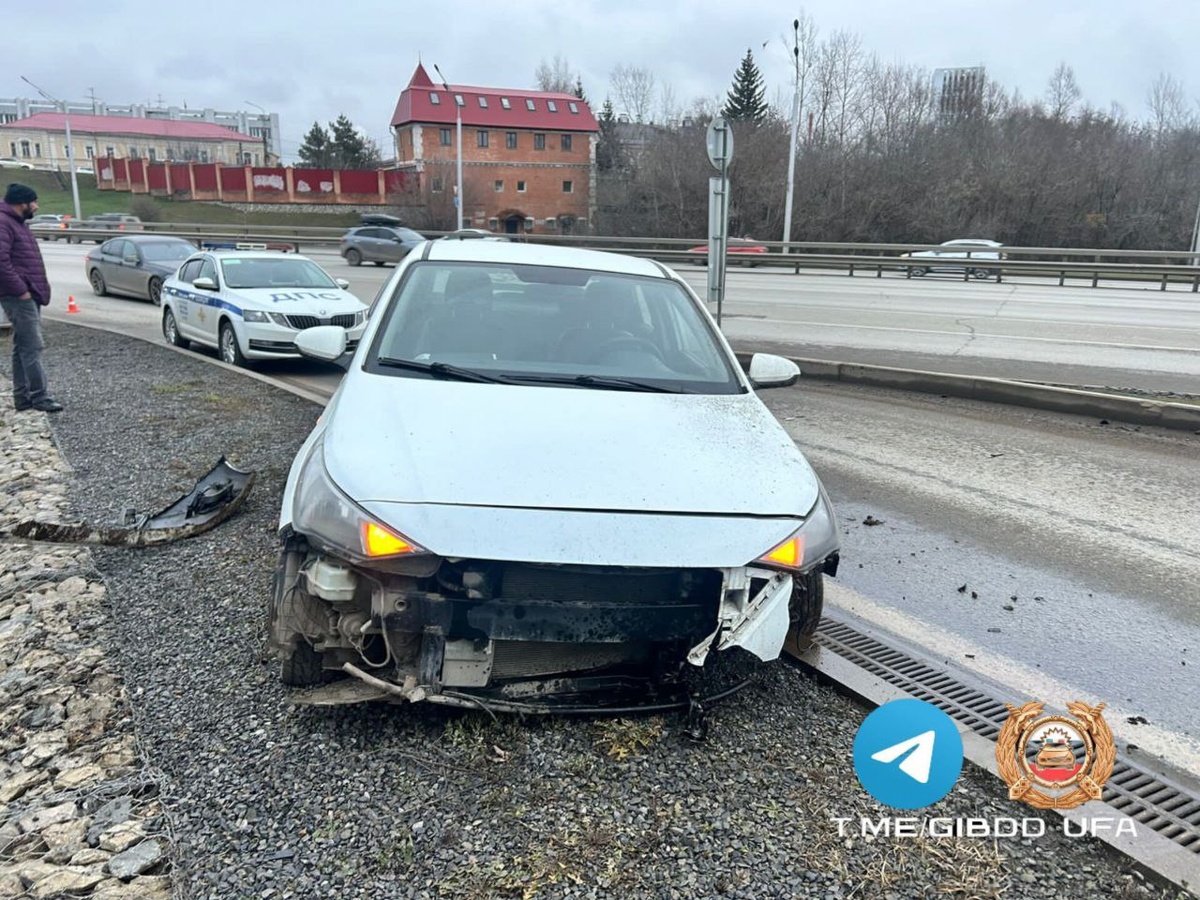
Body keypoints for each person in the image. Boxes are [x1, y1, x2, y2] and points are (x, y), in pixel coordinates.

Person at [0, 183, 61, 412]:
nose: (36, 206)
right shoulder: (4, 223)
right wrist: (21, 290)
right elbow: (1, 263)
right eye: (33, 202)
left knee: (22, 346)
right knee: (33, 346)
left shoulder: (16, 223)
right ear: (21, 203)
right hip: (19, 296)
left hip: (28, 293)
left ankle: (23, 398)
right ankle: (39, 397)